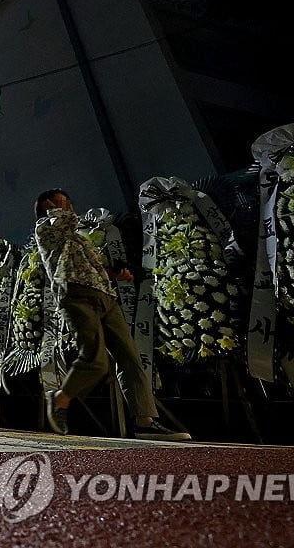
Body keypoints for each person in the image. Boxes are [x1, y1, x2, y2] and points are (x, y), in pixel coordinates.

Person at [34, 189, 191, 441]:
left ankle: (144, 422)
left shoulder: (79, 239)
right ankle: (60, 398)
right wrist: (56, 209)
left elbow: (95, 267)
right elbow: (66, 220)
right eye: (63, 201)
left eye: (69, 200)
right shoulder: (46, 228)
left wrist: (116, 275)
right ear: (47, 206)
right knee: (95, 360)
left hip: (105, 296)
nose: (70, 205)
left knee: (131, 358)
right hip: (76, 295)